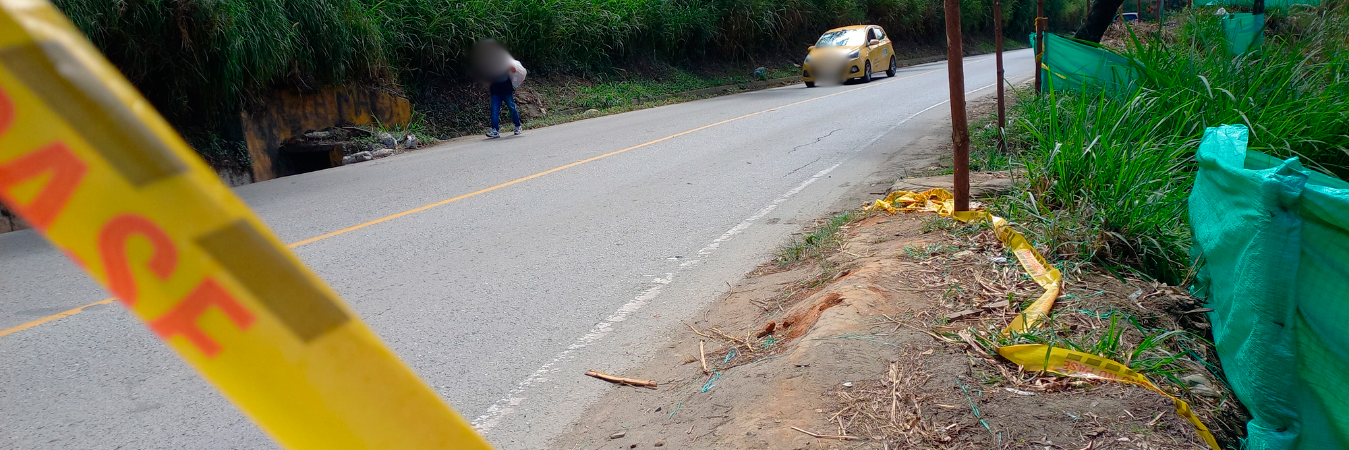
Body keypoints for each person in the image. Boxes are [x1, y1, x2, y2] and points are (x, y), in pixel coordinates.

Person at [472, 40, 523, 138]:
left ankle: (518, 126)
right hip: (495, 90)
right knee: (494, 110)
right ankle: (495, 130)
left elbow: (514, 69)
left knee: (512, 108)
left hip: (506, 89)